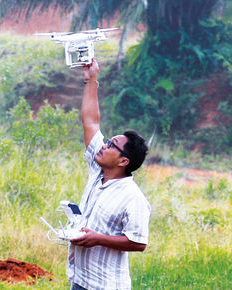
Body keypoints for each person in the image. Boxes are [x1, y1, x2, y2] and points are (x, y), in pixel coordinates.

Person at [67, 58, 151, 290]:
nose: (104, 146)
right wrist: (91, 79)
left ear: (124, 161)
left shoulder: (133, 197)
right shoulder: (98, 171)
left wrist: (97, 239)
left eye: (111, 145)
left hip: (106, 285)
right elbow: (91, 122)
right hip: (79, 280)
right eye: (107, 141)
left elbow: (138, 242)